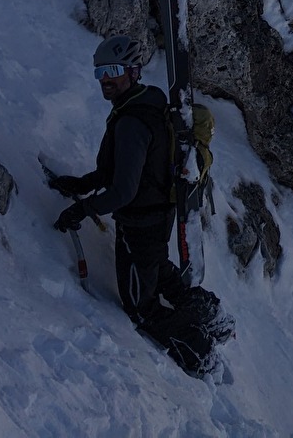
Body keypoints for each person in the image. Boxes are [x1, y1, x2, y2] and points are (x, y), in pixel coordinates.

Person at [50, 34, 232, 377]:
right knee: (159, 269)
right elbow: (116, 170)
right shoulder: (146, 104)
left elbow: (123, 191)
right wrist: (81, 184)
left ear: (132, 71)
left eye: (114, 70)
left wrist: (82, 210)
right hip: (156, 214)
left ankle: (200, 352)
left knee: (141, 308)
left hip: (141, 223)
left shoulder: (132, 121)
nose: (106, 78)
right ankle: (213, 317)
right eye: (100, 72)